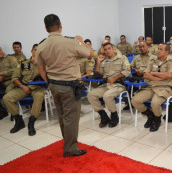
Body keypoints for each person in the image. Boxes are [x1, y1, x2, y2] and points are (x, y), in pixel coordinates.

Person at [36, 14, 93, 157]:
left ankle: (67, 142)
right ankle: (70, 148)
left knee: (62, 116)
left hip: (54, 85)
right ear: (60, 25)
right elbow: (90, 53)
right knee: (71, 118)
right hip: (69, 87)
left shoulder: (41, 46)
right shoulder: (71, 42)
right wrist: (81, 41)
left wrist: (49, 82)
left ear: (45, 28)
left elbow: (41, 69)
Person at [3, 44, 46, 136]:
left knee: (39, 96)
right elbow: (14, 78)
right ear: (32, 51)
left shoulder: (45, 64)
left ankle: (31, 122)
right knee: (7, 98)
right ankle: (19, 121)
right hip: (24, 88)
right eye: (35, 49)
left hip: (38, 88)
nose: (37, 51)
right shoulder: (24, 64)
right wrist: (22, 86)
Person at [131, 43, 172, 132]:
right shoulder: (152, 59)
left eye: (160, 49)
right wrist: (159, 77)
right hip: (150, 86)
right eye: (158, 49)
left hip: (164, 88)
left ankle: (157, 119)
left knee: (155, 103)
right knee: (135, 100)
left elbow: (168, 75)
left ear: (166, 52)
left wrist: (154, 73)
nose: (158, 51)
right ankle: (150, 115)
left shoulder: (171, 61)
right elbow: (146, 74)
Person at [87, 42, 130, 128]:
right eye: (105, 49)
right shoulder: (104, 61)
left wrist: (115, 78)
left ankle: (114, 116)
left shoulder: (122, 58)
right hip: (107, 85)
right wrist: (98, 62)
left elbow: (127, 71)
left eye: (109, 48)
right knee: (91, 95)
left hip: (118, 85)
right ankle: (103, 116)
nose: (107, 51)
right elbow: (98, 74)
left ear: (113, 48)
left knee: (107, 96)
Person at [0, 47, 19, 119]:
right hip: (2, 82)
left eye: (0, 51)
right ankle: (2, 111)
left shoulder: (10, 58)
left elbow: (16, 69)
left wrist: (2, 73)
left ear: (1, 50)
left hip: (11, 81)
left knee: (8, 92)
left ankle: (14, 113)